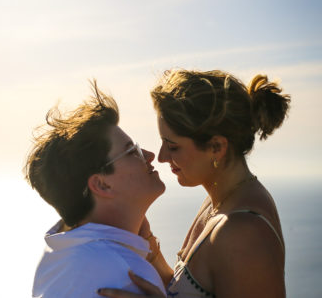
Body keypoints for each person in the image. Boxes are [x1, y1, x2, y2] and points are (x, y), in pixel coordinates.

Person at [98, 69, 290, 298]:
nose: (161, 156)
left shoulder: (242, 233)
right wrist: (148, 243)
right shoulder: (218, 202)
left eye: (173, 146)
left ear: (216, 147)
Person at [24, 80, 167, 297]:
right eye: (132, 151)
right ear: (102, 184)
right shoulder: (128, 275)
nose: (149, 155)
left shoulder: (58, 254)